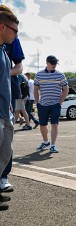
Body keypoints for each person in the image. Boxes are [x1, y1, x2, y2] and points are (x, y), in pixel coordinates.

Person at [0, 9, 19, 211]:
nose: (16, 34)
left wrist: (10, 104)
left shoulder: (4, 52)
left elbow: (5, 80)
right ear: (2, 27)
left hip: (6, 111)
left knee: (5, 154)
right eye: (14, 30)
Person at [34, 55, 69, 153]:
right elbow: (35, 90)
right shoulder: (39, 75)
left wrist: (60, 102)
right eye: (52, 63)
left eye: (55, 63)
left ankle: (53, 145)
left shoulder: (60, 75)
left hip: (55, 104)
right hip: (42, 104)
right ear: (47, 63)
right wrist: (37, 103)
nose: (54, 65)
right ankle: (46, 142)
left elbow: (66, 89)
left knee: (55, 124)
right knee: (42, 124)